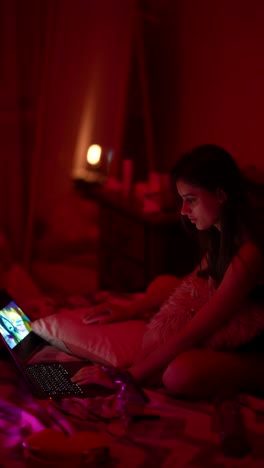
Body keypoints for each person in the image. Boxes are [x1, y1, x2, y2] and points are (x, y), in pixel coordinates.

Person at [72, 144, 264, 399]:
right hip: (229, 328)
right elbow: (188, 282)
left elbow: (196, 331)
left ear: (220, 194)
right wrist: (130, 308)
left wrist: (130, 376)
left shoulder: (248, 254)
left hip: (255, 354)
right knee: (161, 284)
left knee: (179, 374)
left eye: (191, 200)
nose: (184, 212)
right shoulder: (222, 236)